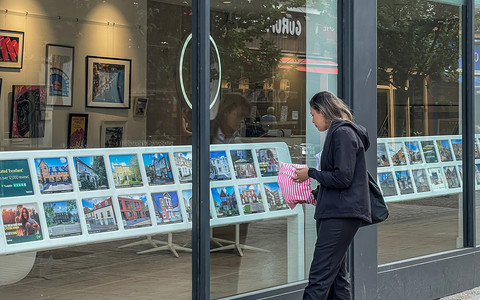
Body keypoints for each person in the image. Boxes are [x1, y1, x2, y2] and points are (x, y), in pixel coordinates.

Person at [293, 91, 371, 300]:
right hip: (337, 211)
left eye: (313, 114)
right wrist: (312, 194)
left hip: (341, 214)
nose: (312, 120)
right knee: (337, 278)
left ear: (323, 111)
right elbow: (341, 178)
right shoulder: (338, 133)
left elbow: (343, 178)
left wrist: (311, 173)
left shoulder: (342, 134)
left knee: (319, 276)